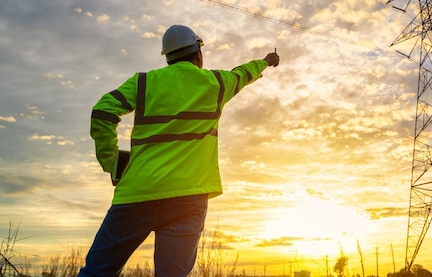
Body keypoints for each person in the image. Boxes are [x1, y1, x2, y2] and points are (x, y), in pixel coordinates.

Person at [78, 25, 280, 277]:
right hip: (188, 197)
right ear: (198, 53)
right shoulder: (216, 83)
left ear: (167, 56)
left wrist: (112, 162)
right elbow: (242, 73)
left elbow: (103, 111)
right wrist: (265, 61)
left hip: (137, 192)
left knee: (97, 272)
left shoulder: (143, 82)